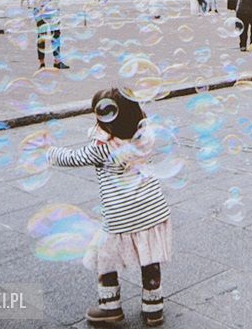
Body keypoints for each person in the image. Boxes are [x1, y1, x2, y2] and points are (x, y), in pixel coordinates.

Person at [44, 89, 171, 326]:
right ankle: (154, 310)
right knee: (150, 258)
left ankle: (110, 308)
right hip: (153, 210)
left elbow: (74, 157)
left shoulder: (103, 148)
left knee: (105, 258)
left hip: (120, 216)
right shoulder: (144, 138)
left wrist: (51, 152)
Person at [27, 0, 70, 69]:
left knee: (56, 34)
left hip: (53, 9)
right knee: (42, 35)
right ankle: (42, 63)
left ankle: (57, 61)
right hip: (40, 10)